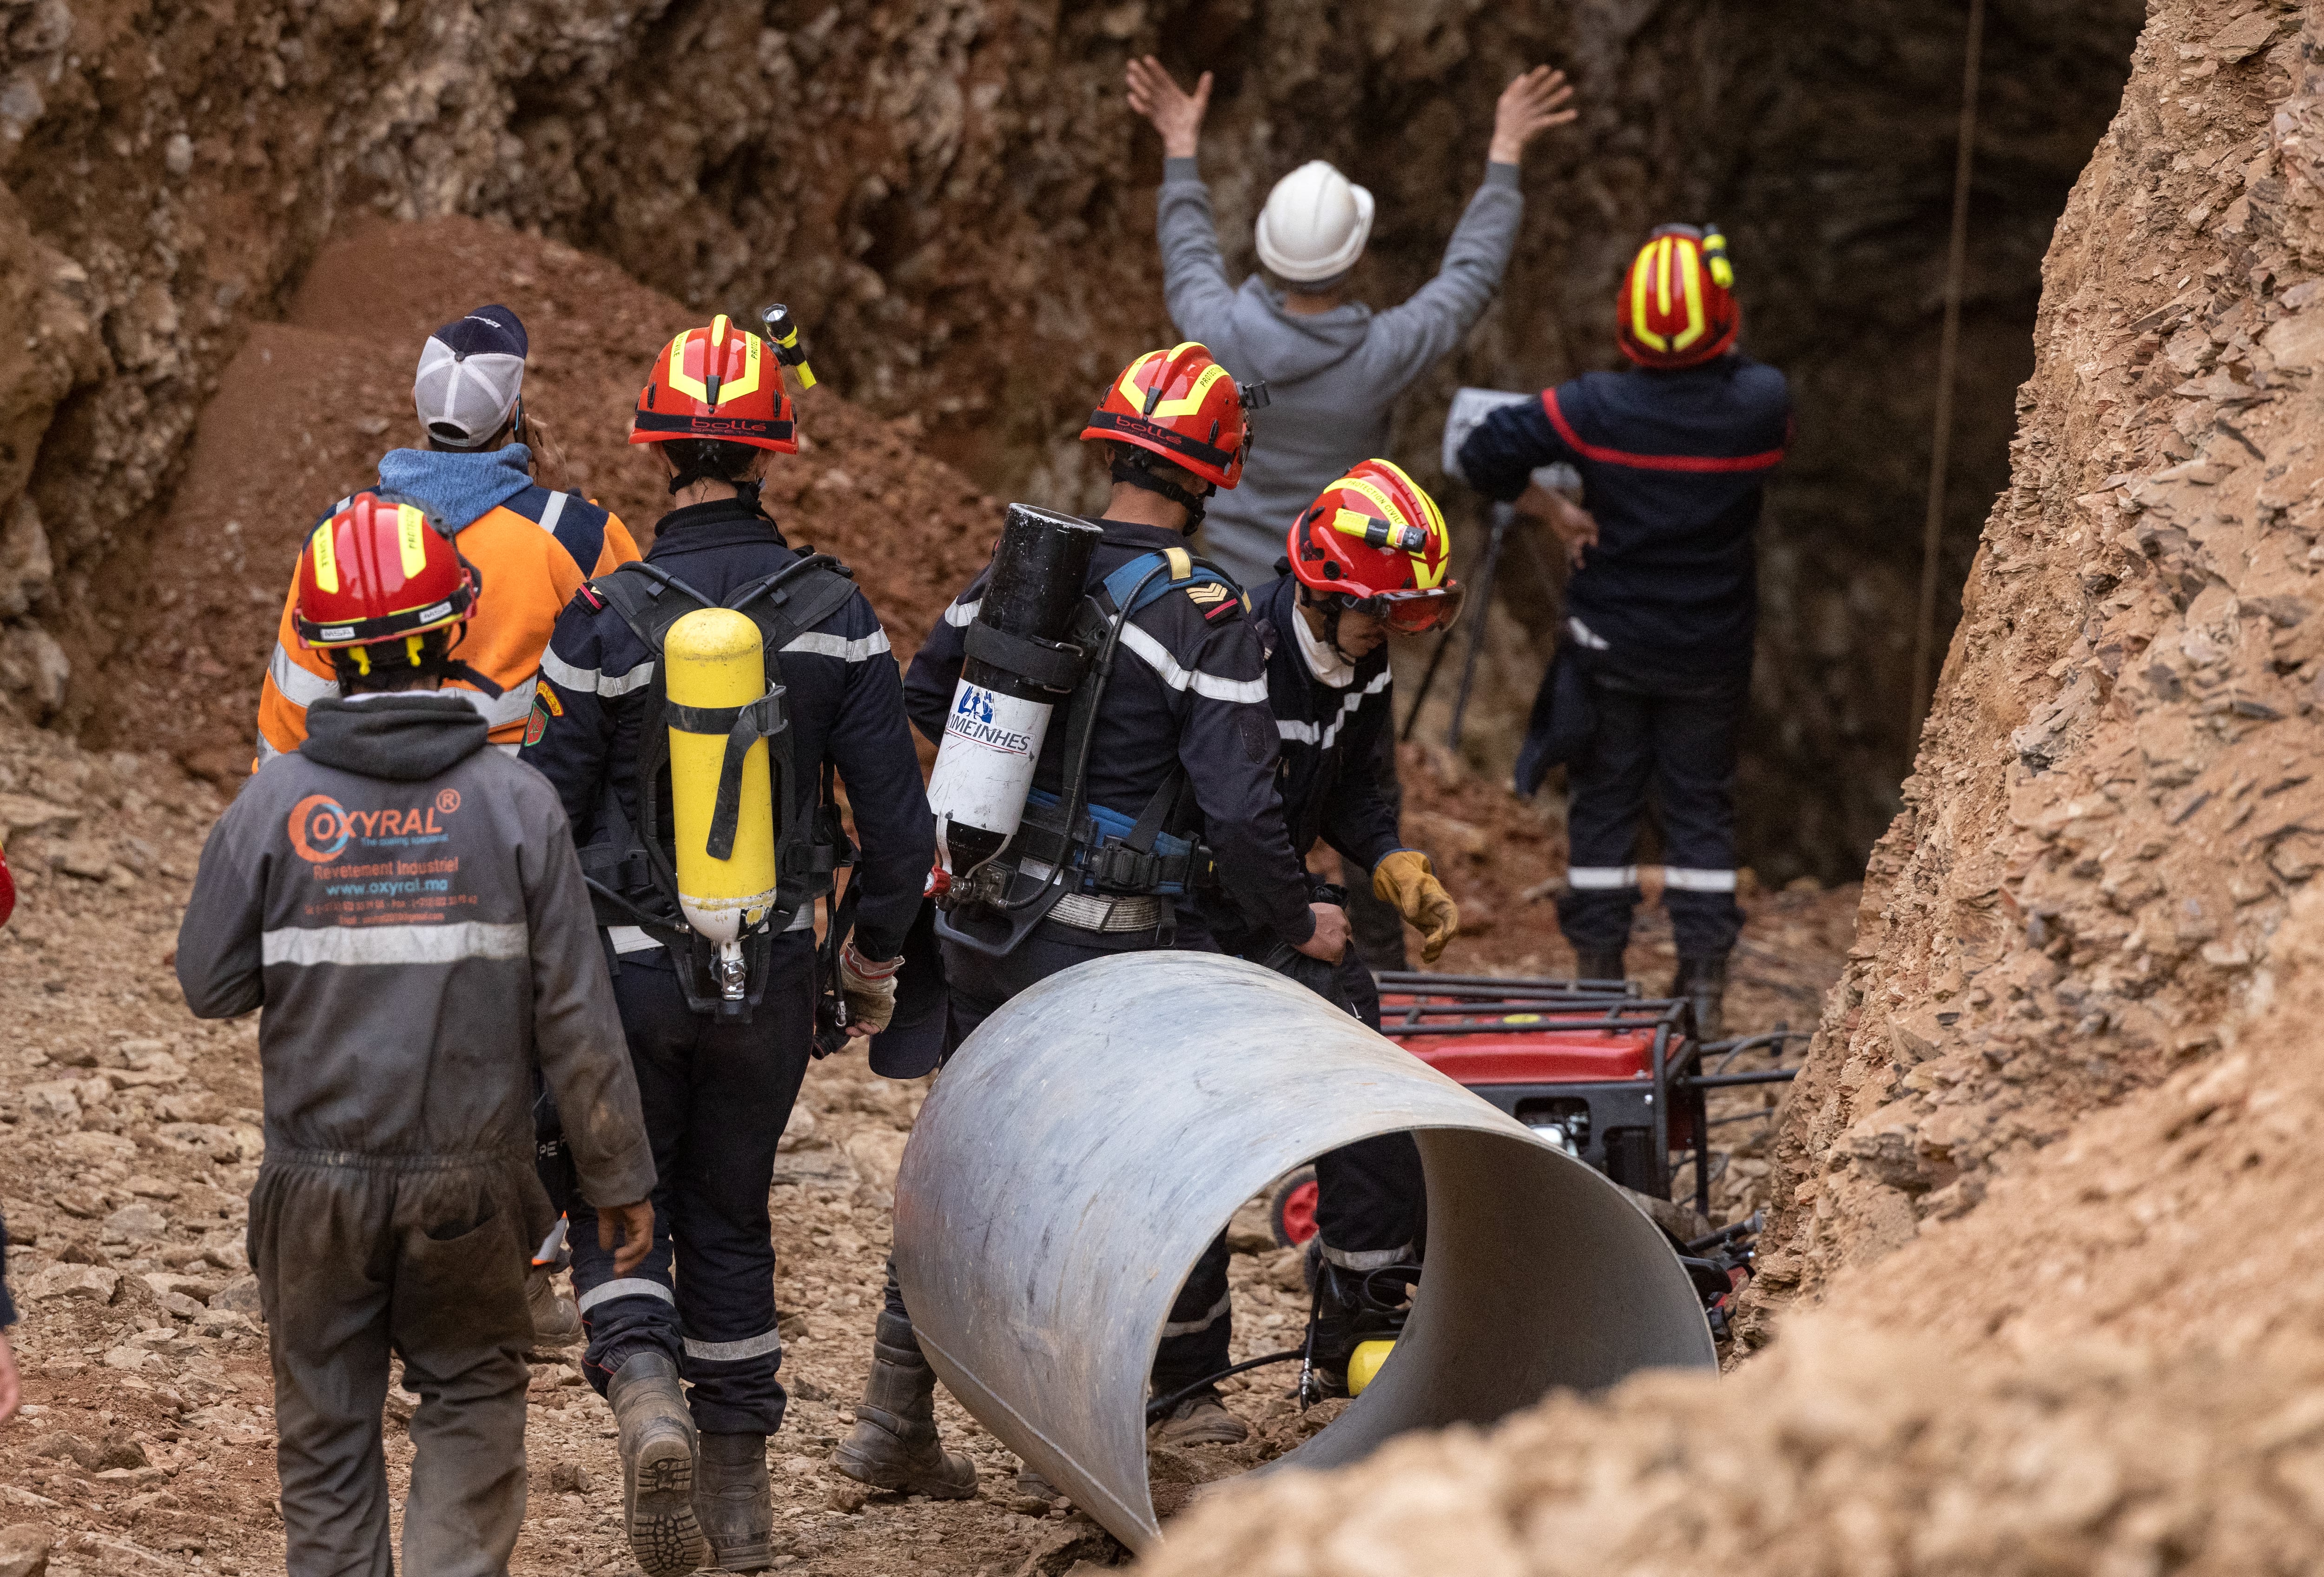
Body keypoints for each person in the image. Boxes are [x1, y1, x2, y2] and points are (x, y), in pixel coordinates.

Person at [838, 342, 1349, 1480]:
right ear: (1215, 473)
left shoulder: (1022, 571)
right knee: (1116, 1181)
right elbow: (1238, 804)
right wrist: (1299, 916)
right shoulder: (1204, 611)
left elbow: (927, 693)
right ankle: (1099, 1427)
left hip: (980, 926)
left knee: (964, 1162)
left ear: (1111, 446)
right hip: (1109, 948)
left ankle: (890, 1419)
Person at [176, 490, 658, 1577]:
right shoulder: (519, 803)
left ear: (318, 647)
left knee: (328, 1425)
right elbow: (578, 1013)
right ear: (453, 631)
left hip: (314, 1187)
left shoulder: (271, 806)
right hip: (474, 1189)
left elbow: (210, 983)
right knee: (474, 1393)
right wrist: (618, 1175)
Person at [522, 315, 934, 1575]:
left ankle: (646, 1392)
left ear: (659, 453)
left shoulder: (604, 612)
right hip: (773, 971)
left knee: (619, 1194)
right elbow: (901, 835)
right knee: (733, 1213)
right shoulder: (837, 614)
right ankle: (741, 1498)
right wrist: (864, 973)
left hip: (626, 975)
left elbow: (547, 810)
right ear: (770, 457)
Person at [1126, 54, 1577, 969]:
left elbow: (1186, 254)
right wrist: (1502, 152)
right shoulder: (1379, 355)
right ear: (1353, 254)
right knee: (1355, 770)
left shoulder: (1219, 332)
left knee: (1224, 774)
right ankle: (1372, 946)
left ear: (1266, 245)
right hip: (1345, 605)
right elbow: (1469, 278)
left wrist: (1179, 146)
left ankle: (1222, 936)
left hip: (1228, 608)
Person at [1457, 224, 1792, 1039]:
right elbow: (1736, 367)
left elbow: (1481, 454)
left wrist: (1555, 510)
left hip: (1610, 646)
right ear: (1724, 322)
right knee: (1700, 805)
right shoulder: (1761, 405)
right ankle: (1704, 984)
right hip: (1709, 650)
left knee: (1605, 802)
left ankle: (1600, 978)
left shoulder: (1594, 410)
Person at [1212, 458, 1466, 1390]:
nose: (1389, 627)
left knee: (1377, 1101)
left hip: (1286, 898)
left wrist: (1392, 859)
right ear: (1317, 593)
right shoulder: (1242, 650)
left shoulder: (1361, 657)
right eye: (1377, 610)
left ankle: (1353, 1323)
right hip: (1209, 907)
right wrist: (1297, 916)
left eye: (1409, 612)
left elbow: (1354, 788)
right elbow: (1232, 820)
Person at [255, 303, 641, 763]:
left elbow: (292, 716)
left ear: (415, 401)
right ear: (516, 417)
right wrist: (564, 504)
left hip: (367, 811)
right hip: (525, 817)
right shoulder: (579, 535)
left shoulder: (338, 537)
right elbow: (627, 699)